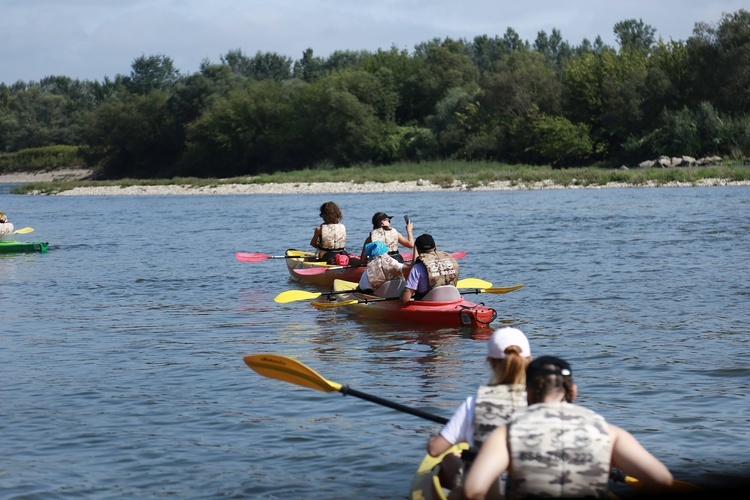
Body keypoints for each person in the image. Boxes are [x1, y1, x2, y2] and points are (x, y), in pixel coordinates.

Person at [463, 356, 674, 500]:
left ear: (527, 392)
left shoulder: (506, 433)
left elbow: (473, 491)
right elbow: (662, 481)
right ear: (572, 391)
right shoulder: (609, 432)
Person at [427, 327, 532, 492]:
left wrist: (433, 439)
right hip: (527, 488)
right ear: (530, 360)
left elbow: (434, 450)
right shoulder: (542, 404)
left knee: (448, 457)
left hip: (485, 491)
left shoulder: (474, 403)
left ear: (490, 361)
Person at [400, 233, 459, 303]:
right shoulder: (450, 260)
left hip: (429, 303)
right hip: (452, 300)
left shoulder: (417, 268)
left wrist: (401, 295)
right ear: (435, 247)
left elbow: (405, 299)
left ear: (418, 250)